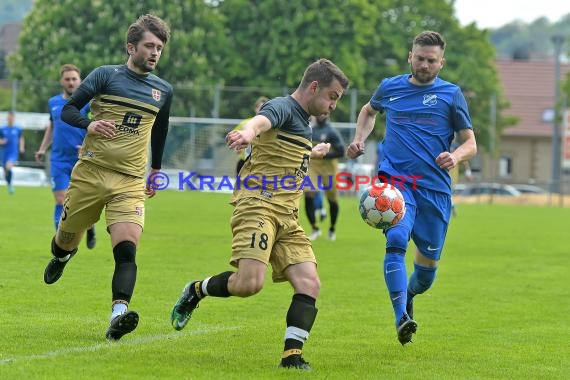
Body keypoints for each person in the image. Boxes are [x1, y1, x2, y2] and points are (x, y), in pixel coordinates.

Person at [170, 58, 349, 370]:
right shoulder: (282, 106)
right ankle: (196, 289)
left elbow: (281, 153)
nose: (334, 105)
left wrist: (313, 152)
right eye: (333, 96)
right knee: (249, 284)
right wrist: (248, 132)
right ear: (314, 87)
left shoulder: (304, 123)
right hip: (258, 206)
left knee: (310, 283)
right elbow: (261, 121)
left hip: (288, 217)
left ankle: (291, 357)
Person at [42, 14, 173, 341]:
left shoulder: (163, 90)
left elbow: (160, 129)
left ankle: (119, 314)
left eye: (159, 47)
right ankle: (62, 254)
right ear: (131, 47)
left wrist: (156, 169)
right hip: (90, 174)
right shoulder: (104, 76)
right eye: (149, 46)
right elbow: (67, 111)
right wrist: (90, 124)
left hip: (129, 181)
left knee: (127, 249)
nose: (155, 52)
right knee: (65, 238)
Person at [346, 31, 477, 345]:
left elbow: (470, 142)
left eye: (431, 60)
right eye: (420, 58)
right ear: (410, 56)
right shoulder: (390, 87)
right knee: (396, 239)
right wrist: (359, 138)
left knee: (426, 273)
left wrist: (455, 155)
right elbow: (368, 110)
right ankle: (400, 317)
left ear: (441, 62)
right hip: (396, 183)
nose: (424, 65)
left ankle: (410, 295)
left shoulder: (451, 95)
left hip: (435, 189)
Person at [35, 64, 96, 248]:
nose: (70, 82)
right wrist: (42, 148)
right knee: (61, 201)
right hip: (59, 160)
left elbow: (97, 128)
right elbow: (52, 126)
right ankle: (61, 242)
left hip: (83, 159)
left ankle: (90, 226)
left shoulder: (88, 104)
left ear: (80, 81)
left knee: (81, 202)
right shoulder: (53, 102)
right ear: (62, 81)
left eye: (74, 79)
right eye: (67, 79)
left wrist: (87, 146)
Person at [304, 113, 345, 241]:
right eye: (319, 114)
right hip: (313, 166)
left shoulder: (332, 132)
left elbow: (341, 151)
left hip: (329, 168)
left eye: (324, 114)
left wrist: (324, 154)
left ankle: (332, 228)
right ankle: (315, 228)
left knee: (332, 200)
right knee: (308, 193)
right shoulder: (310, 130)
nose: (321, 116)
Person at [233, 96, 269, 175]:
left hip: (263, 164)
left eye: (263, 107)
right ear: (255, 108)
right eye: (259, 107)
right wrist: (237, 146)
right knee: (240, 186)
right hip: (245, 161)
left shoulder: (271, 127)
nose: (260, 110)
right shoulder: (246, 123)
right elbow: (233, 137)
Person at [0, 111, 25, 195]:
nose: (10, 119)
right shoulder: (2, 129)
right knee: (6, 171)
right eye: (9, 117)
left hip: (13, 152)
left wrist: (21, 148)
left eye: (12, 117)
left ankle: (10, 185)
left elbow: (21, 138)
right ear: (7, 118)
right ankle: (9, 184)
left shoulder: (17, 129)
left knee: (9, 166)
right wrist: (2, 141)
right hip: (4, 153)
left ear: (14, 118)